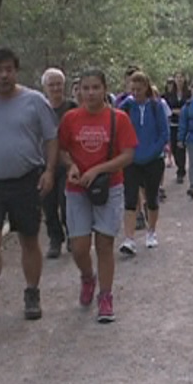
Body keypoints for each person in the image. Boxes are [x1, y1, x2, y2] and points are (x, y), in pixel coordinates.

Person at [0, 46, 59, 330]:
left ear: (15, 71)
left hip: (27, 179)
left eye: (9, 69)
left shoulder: (34, 101)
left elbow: (51, 138)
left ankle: (32, 293)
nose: (4, 75)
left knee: (29, 238)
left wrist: (50, 172)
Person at [59, 68, 137, 323]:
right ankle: (87, 277)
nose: (90, 93)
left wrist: (98, 170)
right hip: (77, 190)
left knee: (104, 244)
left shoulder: (118, 118)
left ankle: (105, 296)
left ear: (104, 89)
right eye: (85, 88)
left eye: (95, 87)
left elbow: (127, 155)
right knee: (79, 247)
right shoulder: (70, 119)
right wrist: (71, 166)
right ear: (79, 90)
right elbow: (62, 150)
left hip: (109, 187)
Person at [118, 72, 170, 255]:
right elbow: (118, 128)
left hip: (153, 160)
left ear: (146, 88)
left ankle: (151, 232)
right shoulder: (125, 107)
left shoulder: (156, 107)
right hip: (131, 160)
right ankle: (129, 238)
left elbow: (164, 133)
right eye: (132, 89)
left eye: (139, 89)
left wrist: (151, 151)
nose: (135, 93)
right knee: (130, 199)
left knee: (151, 197)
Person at [41, 67, 76, 258]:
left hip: (68, 163)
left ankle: (71, 235)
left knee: (67, 201)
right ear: (45, 87)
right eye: (51, 85)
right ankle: (55, 239)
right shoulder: (39, 108)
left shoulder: (73, 107)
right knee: (48, 204)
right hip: (44, 163)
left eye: (58, 84)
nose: (55, 88)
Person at [163, 73, 189, 184]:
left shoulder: (188, 93)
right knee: (173, 147)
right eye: (177, 77)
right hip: (172, 124)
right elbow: (164, 105)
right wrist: (173, 111)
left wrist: (182, 112)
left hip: (184, 125)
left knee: (181, 147)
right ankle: (179, 164)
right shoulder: (169, 94)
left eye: (181, 77)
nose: (179, 79)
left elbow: (190, 104)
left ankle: (181, 170)